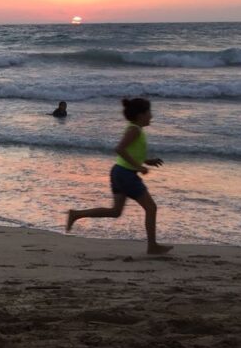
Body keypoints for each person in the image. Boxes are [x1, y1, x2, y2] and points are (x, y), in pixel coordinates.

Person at [66, 97, 171, 255]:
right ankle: (152, 246)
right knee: (151, 208)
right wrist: (138, 167)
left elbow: (130, 151)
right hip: (126, 174)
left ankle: (76, 214)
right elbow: (120, 149)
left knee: (115, 211)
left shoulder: (136, 129)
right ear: (140, 115)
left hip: (119, 172)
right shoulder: (134, 130)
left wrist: (147, 161)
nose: (151, 116)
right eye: (149, 112)